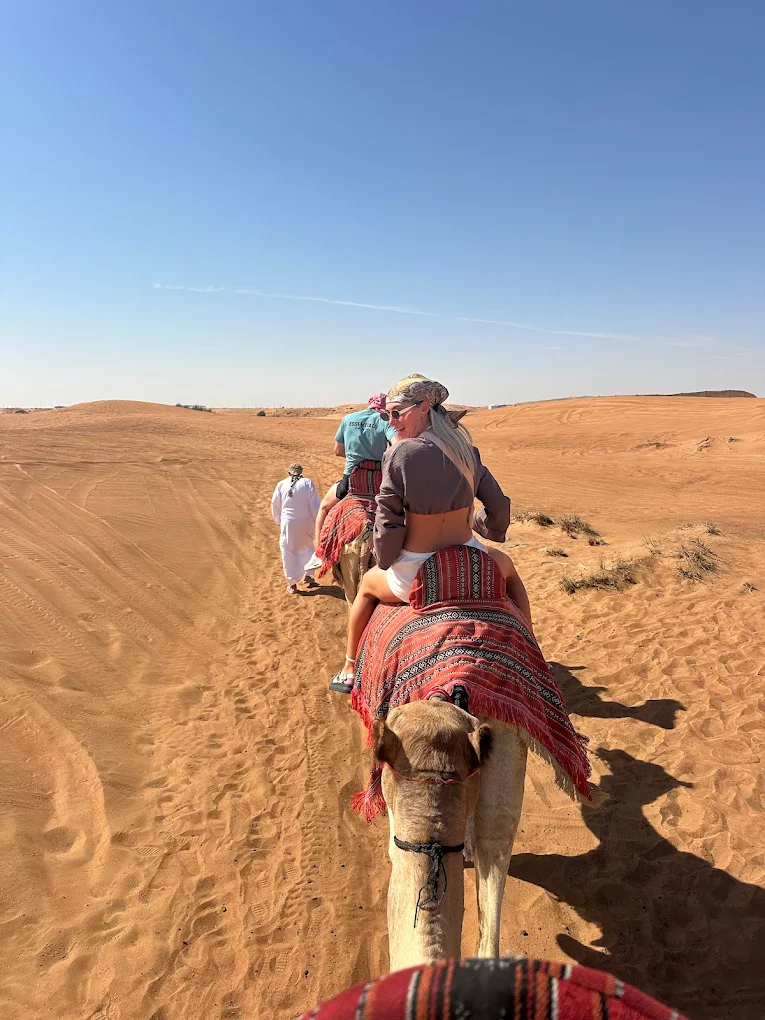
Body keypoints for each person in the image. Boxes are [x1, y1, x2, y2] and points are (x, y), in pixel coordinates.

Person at [328, 374, 533, 693]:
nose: (391, 422)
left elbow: (389, 520)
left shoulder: (400, 453)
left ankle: (350, 667)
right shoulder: (467, 452)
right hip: (470, 559)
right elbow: (499, 509)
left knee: (367, 587)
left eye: (397, 413)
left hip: (415, 571)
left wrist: (385, 559)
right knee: (510, 574)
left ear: (424, 407)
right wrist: (479, 525)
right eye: (386, 415)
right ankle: (532, 650)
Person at [305, 393, 395, 572]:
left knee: (324, 508)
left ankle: (319, 553)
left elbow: (338, 451)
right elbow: (397, 445)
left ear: (369, 403)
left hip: (351, 480)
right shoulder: (386, 420)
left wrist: (356, 453)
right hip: (380, 480)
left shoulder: (349, 419)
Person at [270, 464, 321, 594]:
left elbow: (275, 504)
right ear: (300, 472)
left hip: (288, 522)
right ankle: (308, 575)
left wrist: (278, 520)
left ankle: (292, 584)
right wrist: (317, 521)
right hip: (306, 522)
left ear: (289, 472)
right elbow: (315, 504)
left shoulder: (281, 484)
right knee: (307, 547)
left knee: (288, 550)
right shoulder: (307, 483)